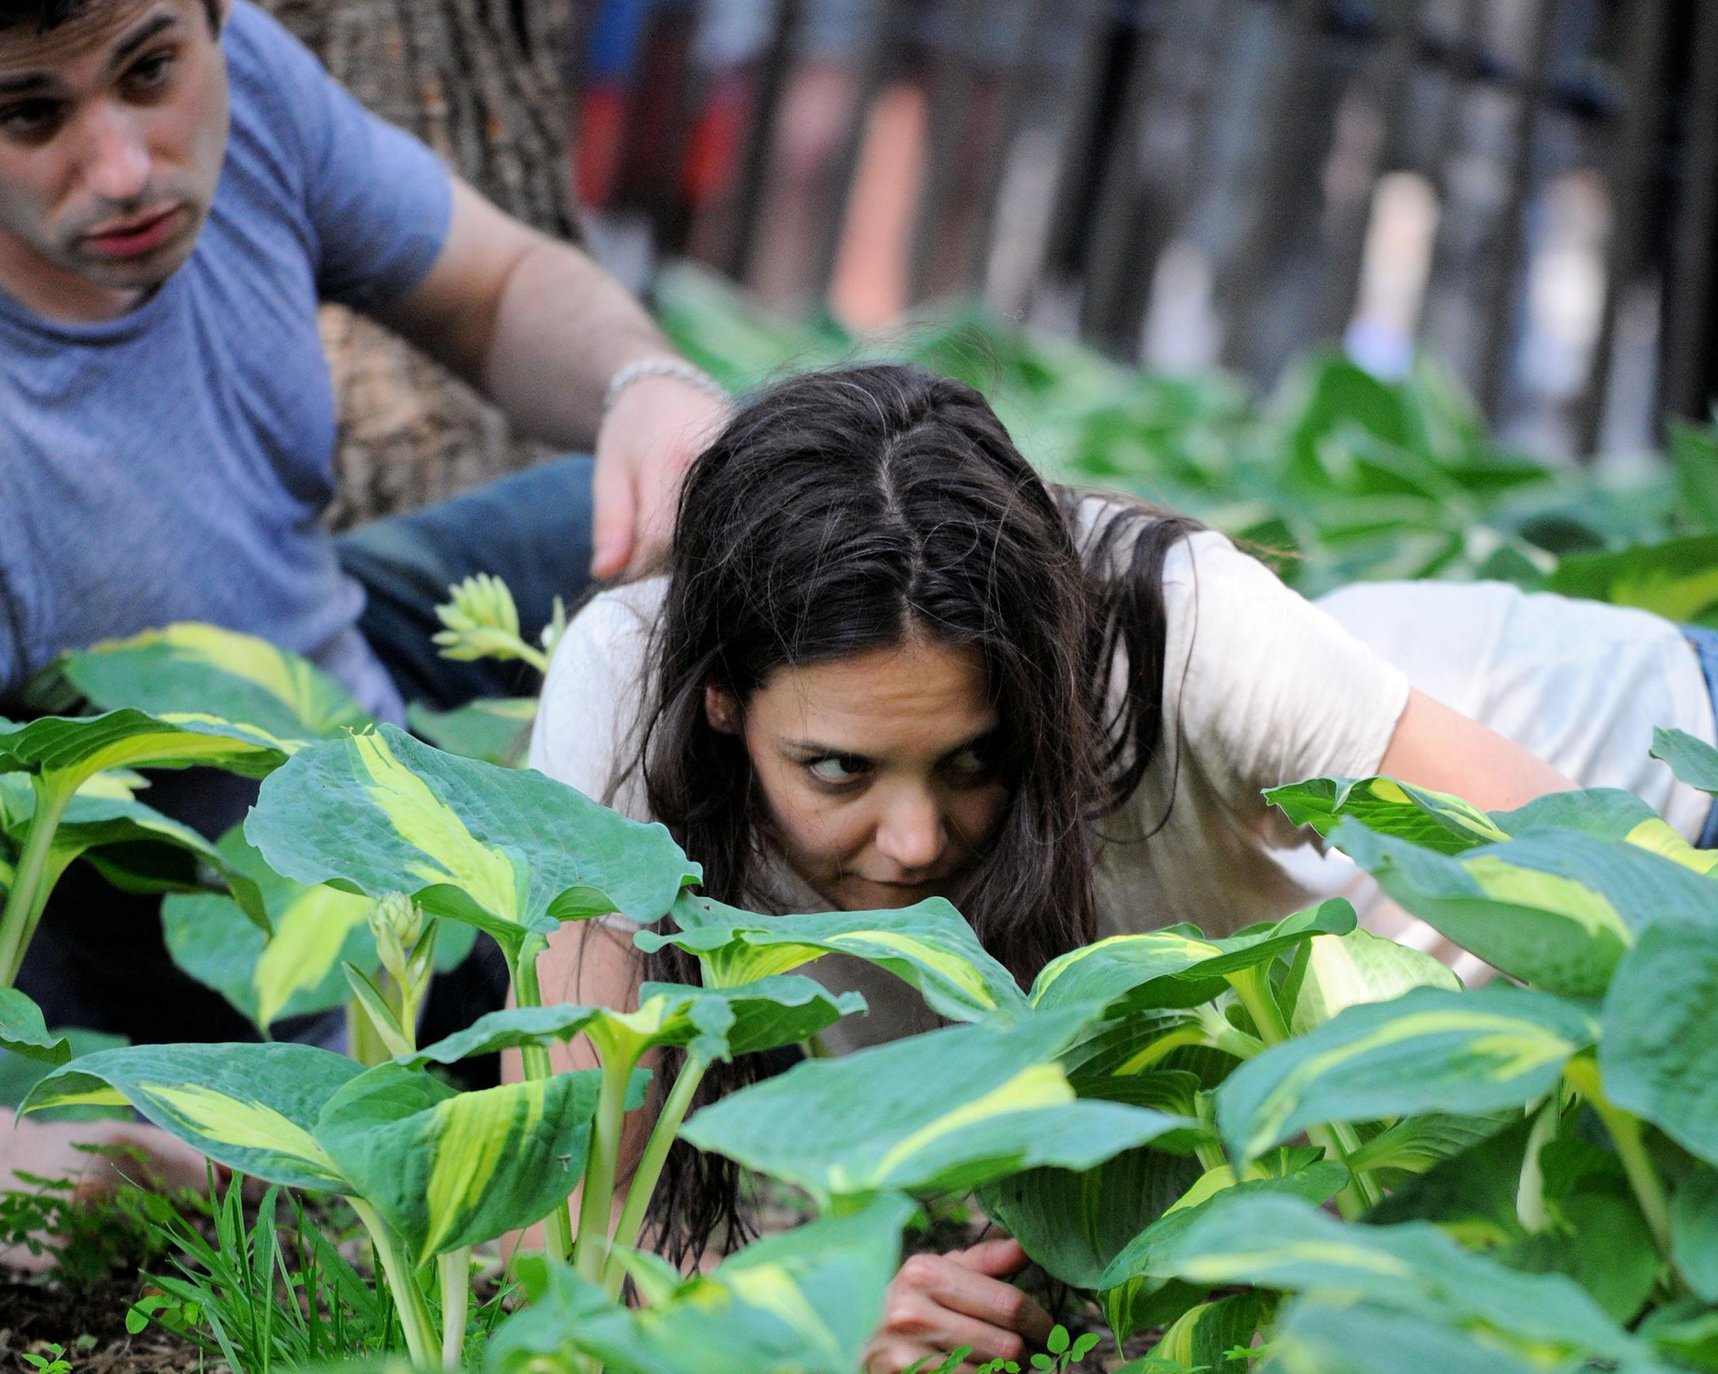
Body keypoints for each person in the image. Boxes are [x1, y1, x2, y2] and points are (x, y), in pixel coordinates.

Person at [525, 363, 1718, 1373]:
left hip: (1671, 769)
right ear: (725, 706)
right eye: (839, 771)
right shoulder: (629, 691)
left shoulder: (1187, 630)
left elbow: (1597, 879)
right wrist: (798, 1323)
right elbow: (562, 1217)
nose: (916, 840)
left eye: (974, 759)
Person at [0, 0, 728, 1207]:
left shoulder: (251, 85)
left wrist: (643, 388)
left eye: (151, 70)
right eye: (29, 112)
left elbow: (495, 286)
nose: (124, 165)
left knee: (720, 508)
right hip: (180, 884)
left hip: (329, 654)